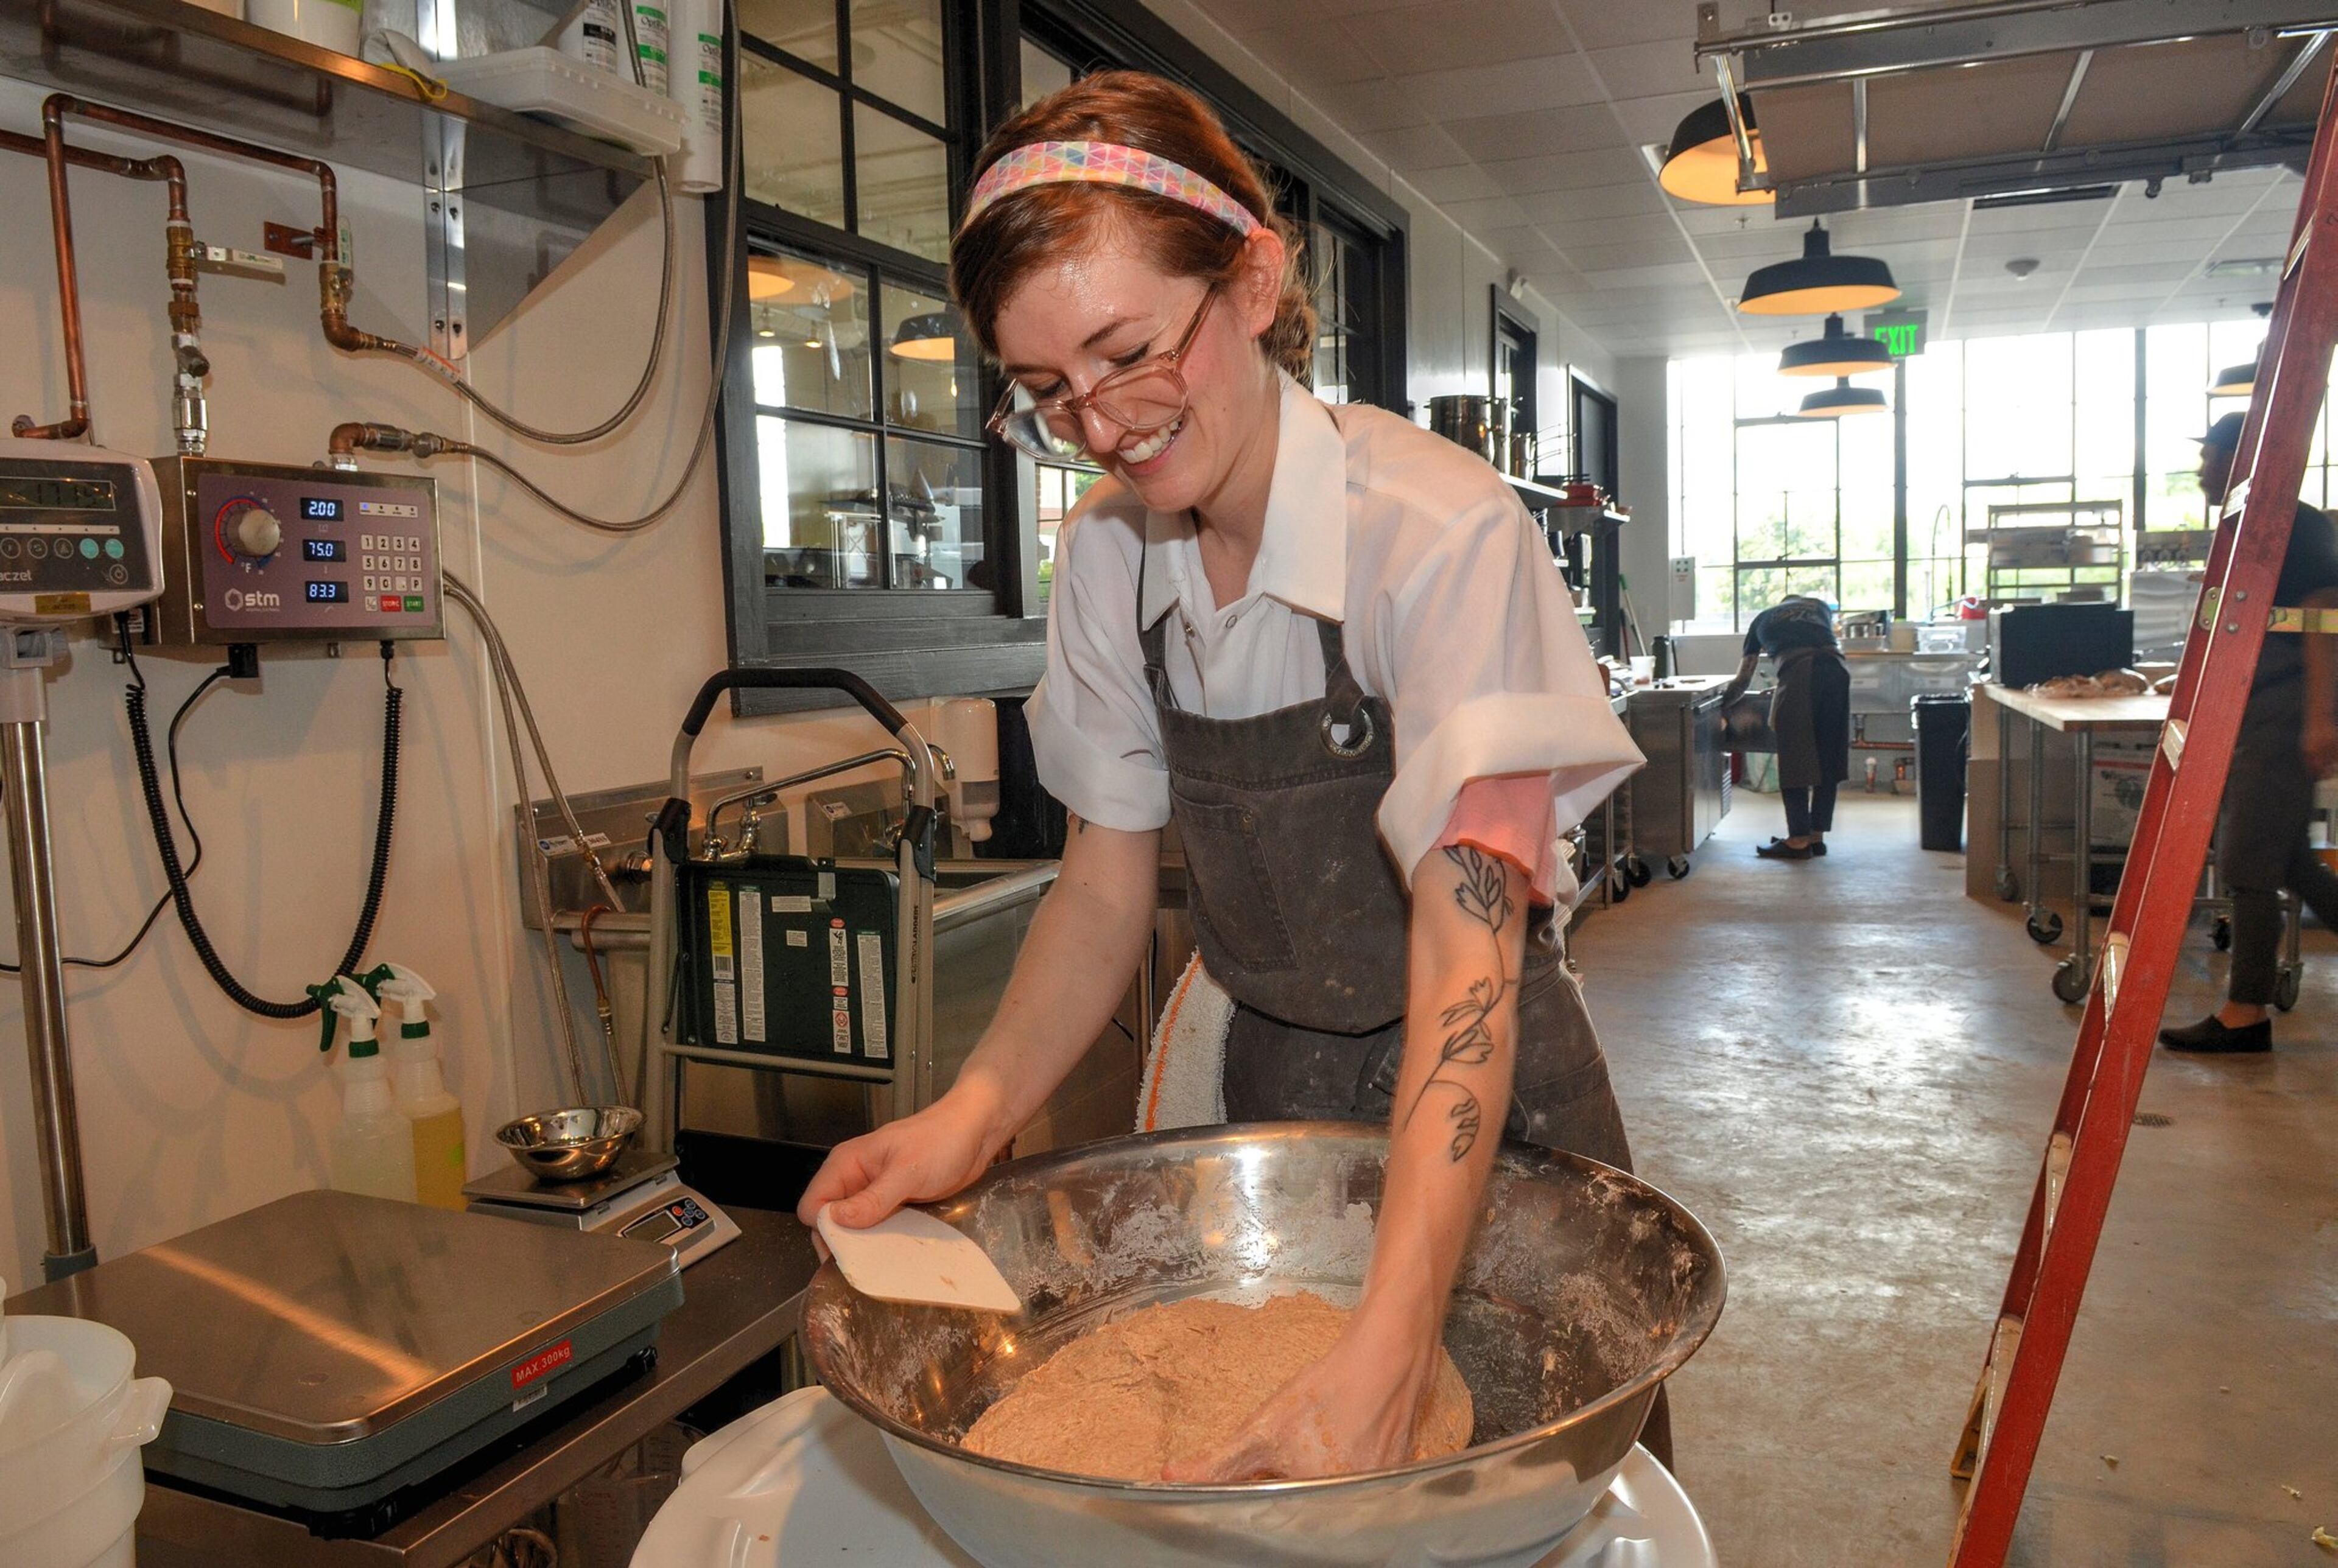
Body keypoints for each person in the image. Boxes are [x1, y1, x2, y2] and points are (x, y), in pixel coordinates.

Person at [796, 71, 1657, 1479]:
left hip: (1483, 1110)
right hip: (1277, 1093)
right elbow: (1099, 888)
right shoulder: (1108, 560)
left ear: (1251, 281)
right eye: (1046, 394)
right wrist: (971, 1116)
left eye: (1129, 350)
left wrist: (1393, 1332)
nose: (1104, 422)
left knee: (1508, 1476)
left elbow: (1464, 950)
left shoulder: (1436, 538)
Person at [2159, 411, 2338, 1053]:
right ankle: (2246, 1009)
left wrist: (2319, 717)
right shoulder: (2246, 531)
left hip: (2283, 705)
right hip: (2252, 703)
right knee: (2289, 859)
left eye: (2211, 454)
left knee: (2248, 863)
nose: (2202, 467)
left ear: (2244, 459)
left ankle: (2245, 1013)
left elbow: (2322, 617)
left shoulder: (2295, 523)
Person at [1721, 593, 1850, 859]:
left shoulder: (1761, 621)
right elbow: (1817, 646)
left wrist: (1724, 704)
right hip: (1838, 672)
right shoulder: (1819, 607)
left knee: (1794, 756)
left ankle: (1798, 840)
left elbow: (1745, 677)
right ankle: (1816, 837)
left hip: (1800, 674)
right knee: (1829, 756)